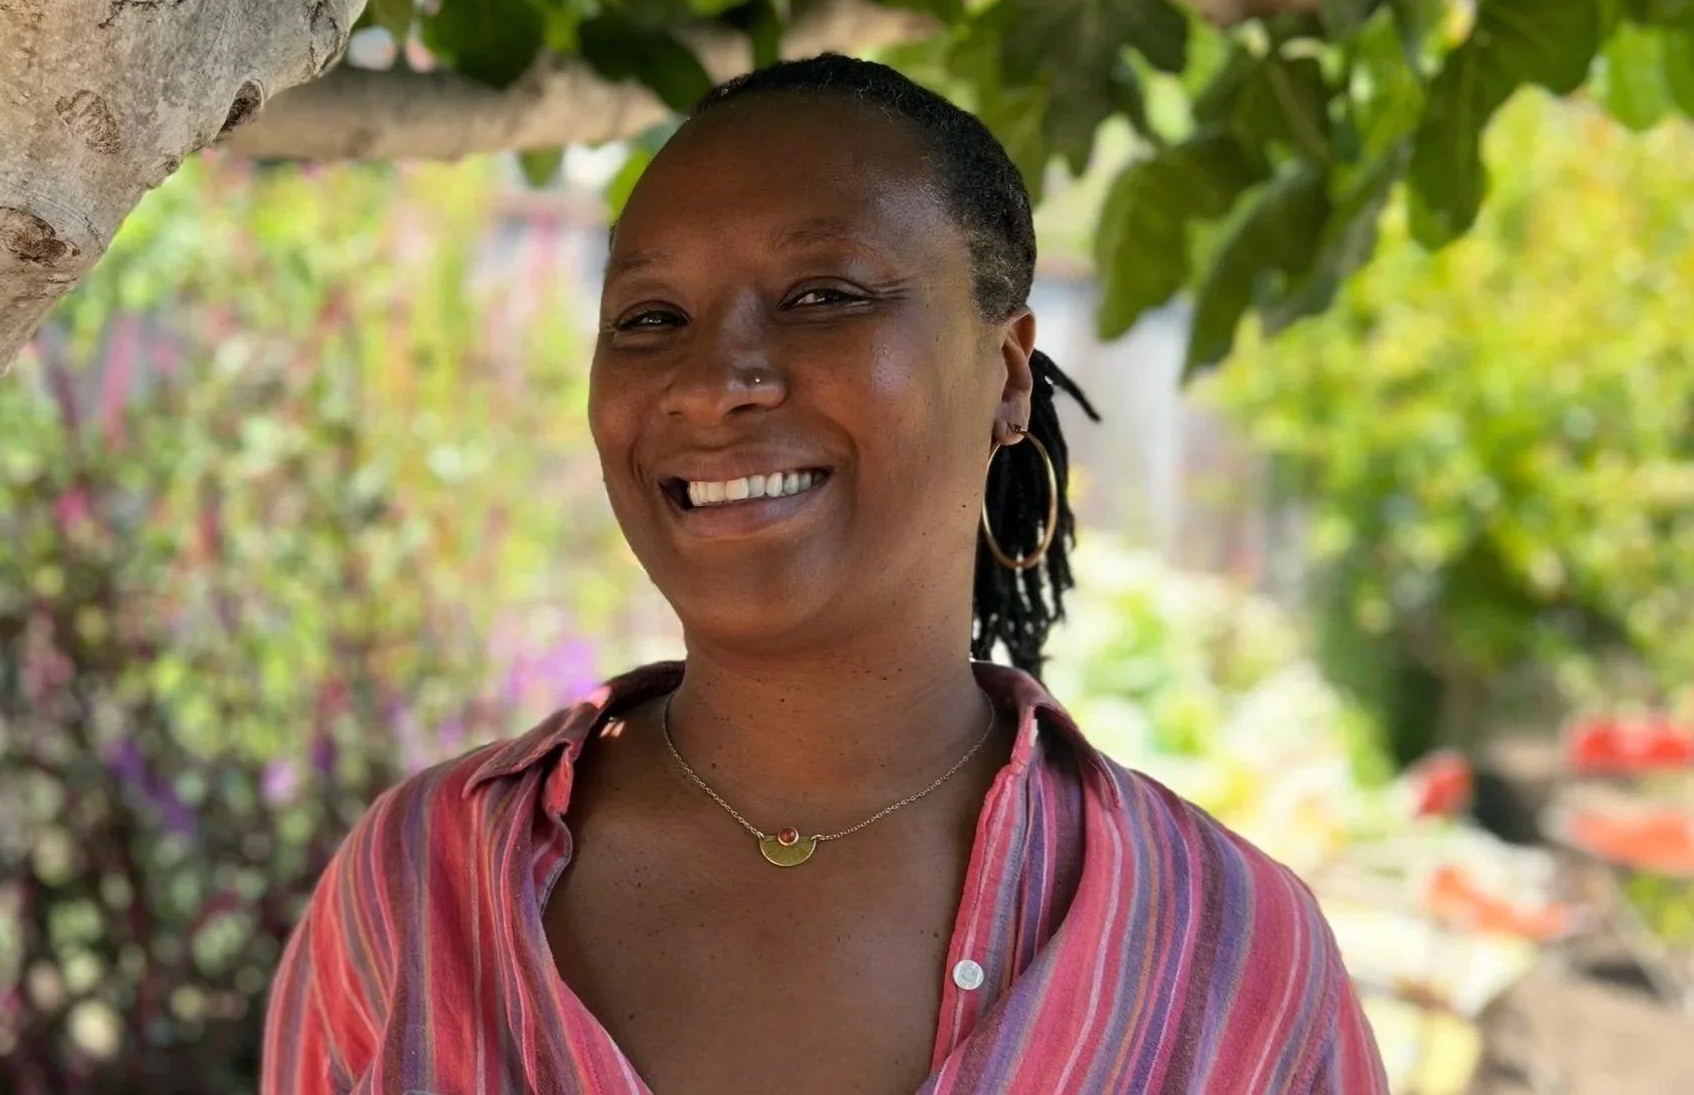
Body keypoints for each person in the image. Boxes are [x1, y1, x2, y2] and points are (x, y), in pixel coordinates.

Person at [262, 55, 1388, 1094]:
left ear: (1004, 374)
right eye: (650, 317)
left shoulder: (1230, 958)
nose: (712, 383)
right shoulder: (420, 888)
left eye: (823, 297)